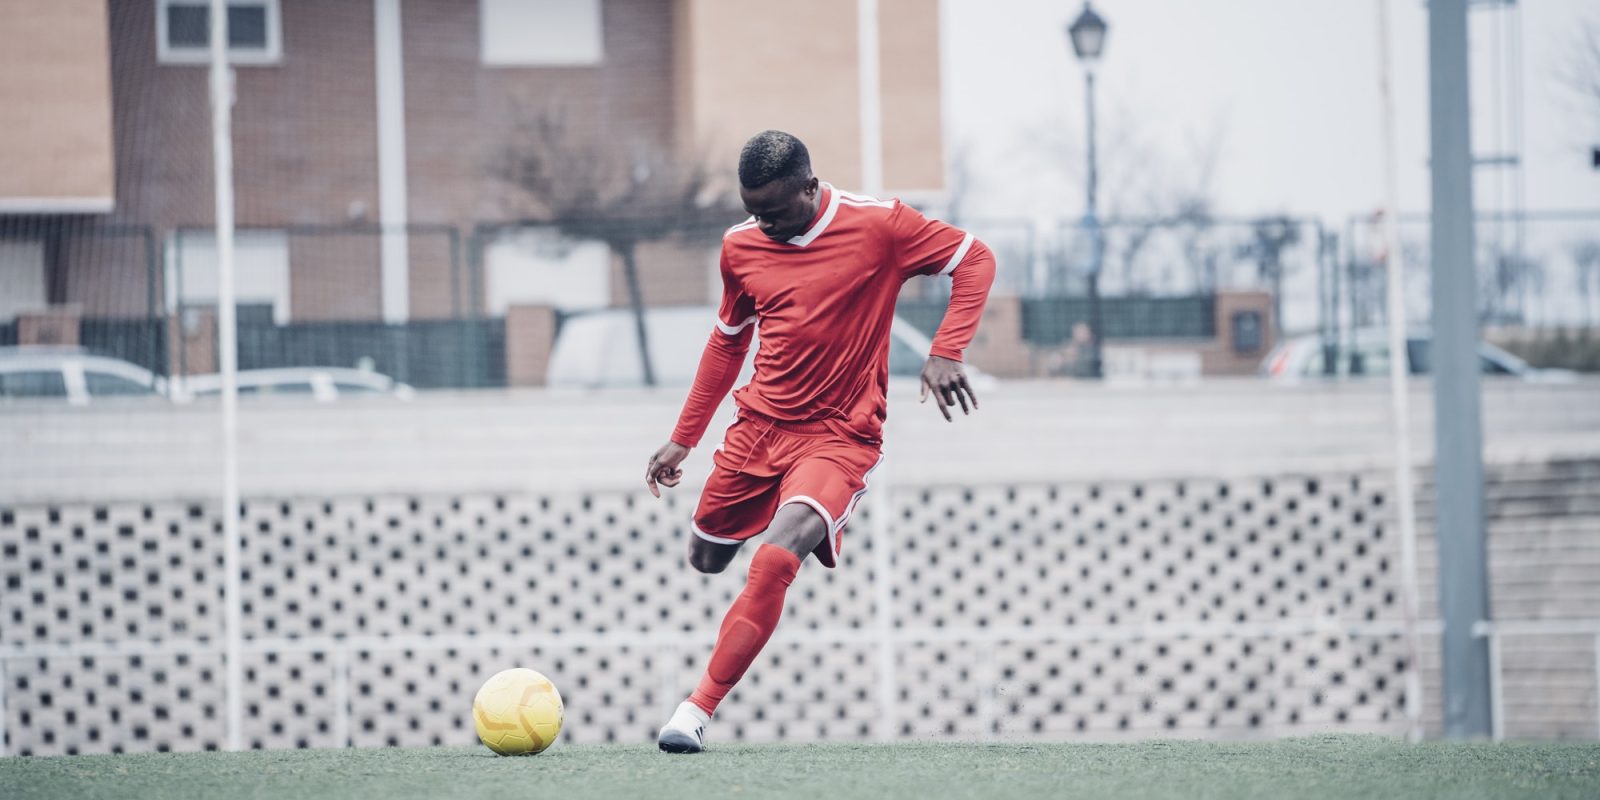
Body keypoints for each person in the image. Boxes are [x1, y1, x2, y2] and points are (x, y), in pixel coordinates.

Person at [646, 130, 995, 753]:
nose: (764, 224)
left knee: (775, 559)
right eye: (753, 211)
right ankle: (775, 524)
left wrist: (947, 351)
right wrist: (683, 439)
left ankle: (694, 712)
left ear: (810, 186)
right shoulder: (740, 246)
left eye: (775, 212)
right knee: (705, 558)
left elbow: (975, 258)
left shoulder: (881, 226)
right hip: (758, 430)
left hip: (840, 435)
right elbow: (728, 342)